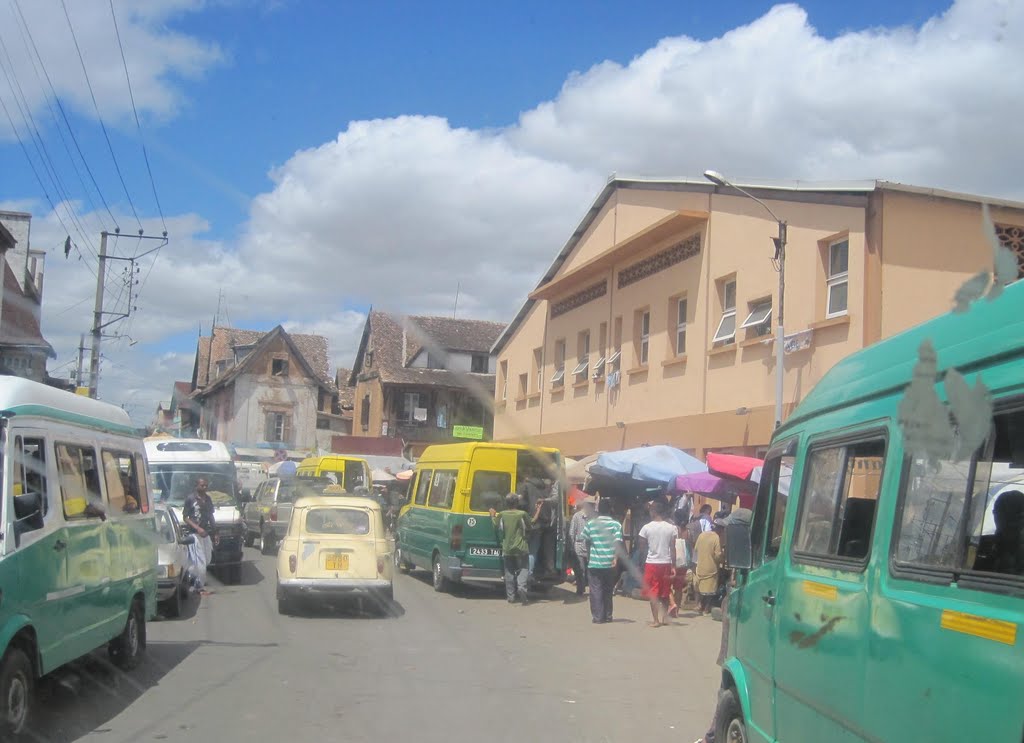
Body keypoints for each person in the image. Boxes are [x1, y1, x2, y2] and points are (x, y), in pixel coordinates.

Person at [583, 497, 624, 624]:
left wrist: (589, 557)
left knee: (595, 590)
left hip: (594, 563)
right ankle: (607, 615)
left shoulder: (590, 523)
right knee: (607, 589)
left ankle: (597, 617)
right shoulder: (616, 525)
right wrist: (615, 559)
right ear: (610, 509)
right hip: (610, 563)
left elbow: (586, 542)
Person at [638, 498, 678, 627]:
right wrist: (674, 565)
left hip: (652, 563)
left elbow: (642, 548)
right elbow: (673, 548)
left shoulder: (646, 528)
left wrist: (641, 564)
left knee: (653, 593)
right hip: (666, 562)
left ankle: (656, 620)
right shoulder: (671, 528)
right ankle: (665, 618)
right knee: (665, 592)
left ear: (653, 512)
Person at [490, 493, 533, 604]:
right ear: (517, 503)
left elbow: (495, 525)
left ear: (506, 503)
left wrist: (492, 515)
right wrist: (537, 511)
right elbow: (530, 525)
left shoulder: (502, 514)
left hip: (507, 548)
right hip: (521, 547)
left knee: (508, 572)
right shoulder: (522, 514)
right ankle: (521, 587)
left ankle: (511, 597)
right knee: (524, 568)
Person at [183, 477, 217, 595]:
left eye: (206, 485)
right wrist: (197, 528)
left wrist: (215, 532)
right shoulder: (190, 499)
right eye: (202, 485)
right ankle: (199, 587)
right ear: (196, 486)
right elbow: (185, 517)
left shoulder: (208, 499)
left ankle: (192, 580)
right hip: (195, 535)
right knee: (200, 562)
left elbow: (211, 516)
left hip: (206, 535)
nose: (204, 488)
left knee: (207, 559)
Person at [694, 517, 725, 615]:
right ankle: (706, 608)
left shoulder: (701, 535)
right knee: (710, 590)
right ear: (720, 529)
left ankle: (698, 604)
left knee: (699, 587)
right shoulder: (716, 537)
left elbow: (696, 549)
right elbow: (718, 555)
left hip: (700, 566)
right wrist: (723, 559)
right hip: (711, 568)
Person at [567, 496, 596, 596]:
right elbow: (571, 533)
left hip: (591, 547)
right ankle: (580, 588)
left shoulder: (594, 517)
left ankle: (592, 589)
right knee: (580, 569)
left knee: (591, 570)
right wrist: (571, 547)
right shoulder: (577, 516)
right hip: (579, 546)